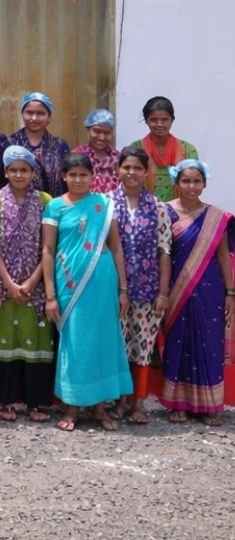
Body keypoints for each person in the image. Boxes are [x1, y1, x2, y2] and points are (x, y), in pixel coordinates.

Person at [42, 152, 132, 432]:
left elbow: (116, 248)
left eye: (84, 174)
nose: (78, 179)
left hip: (102, 280)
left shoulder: (103, 205)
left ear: (93, 177)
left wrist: (123, 290)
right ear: (64, 177)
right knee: (76, 343)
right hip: (69, 282)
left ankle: (99, 408)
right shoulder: (55, 207)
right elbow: (47, 250)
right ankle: (72, 406)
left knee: (102, 342)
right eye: (73, 175)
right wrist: (49, 295)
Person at [0, 146, 55, 422]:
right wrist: (10, 283)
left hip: (37, 283)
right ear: (6, 172)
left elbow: (49, 245)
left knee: (37, 340)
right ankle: (7, 401)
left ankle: (36, 403)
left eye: (24, 170)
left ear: (33, 172)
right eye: (13, 170)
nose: (19, 174)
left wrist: (34, 280)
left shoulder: (46, 200)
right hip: (4, 285)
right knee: (5, 338)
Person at [158, 159, 232, 425]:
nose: (191, 186)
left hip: (210, 287)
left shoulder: (216, 216)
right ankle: (177, 404)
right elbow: (162, 254)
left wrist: (230, 292)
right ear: (177, 183)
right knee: (178, 340)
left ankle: (208, 406)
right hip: (176, 286)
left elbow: (223, 257)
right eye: (186, 181)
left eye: (196, 181)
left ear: (204, 184)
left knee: (209, 342)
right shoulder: (165, 212)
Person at [110, 145, 170, 425]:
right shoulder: (106, 204)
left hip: (148, 292)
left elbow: (164, 252)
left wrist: (163, 293)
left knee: (143, 347)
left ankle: (139, 404)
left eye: (137, 168)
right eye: (127, 167)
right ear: (118, 169)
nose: (131, 172)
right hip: (114, 291)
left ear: (146, 172)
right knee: (118, 346)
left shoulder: (159, 208)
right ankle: (120, 402)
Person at [6, 92, 69, 197]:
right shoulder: (10, 143)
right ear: (22, 114)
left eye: (40, 113)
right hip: (16, 208)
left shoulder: (60, 146)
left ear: (49, 117)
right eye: (29, 113)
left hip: (53, 209)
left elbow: (67, 180)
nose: (34, 118)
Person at [137, 96, 199, 202]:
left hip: (181, 212)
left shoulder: (188, 151)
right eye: (154, 120)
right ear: (146, 121)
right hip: (144, 213)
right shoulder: (136, 149)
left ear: (172, 120)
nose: (159, 124)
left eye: (164, 119)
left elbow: (194, 184)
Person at [74, 109, 120, 193]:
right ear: (88, 130)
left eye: (107, 133)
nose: (102, 137)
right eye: (97, 131)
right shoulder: (77, 155)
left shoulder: (118, 158)